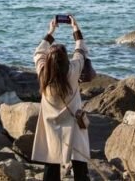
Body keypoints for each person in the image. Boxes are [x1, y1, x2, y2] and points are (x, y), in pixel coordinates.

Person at [31, 15, 90, 181]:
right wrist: (75, 28)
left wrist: (51, 32)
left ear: (48, 62)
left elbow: (38, 52)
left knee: (51, 160)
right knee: (80, 162)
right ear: (66, 61)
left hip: (51, 125)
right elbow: (81, 50)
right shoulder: (73, 71)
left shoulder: (43, 74)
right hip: (73, 124)